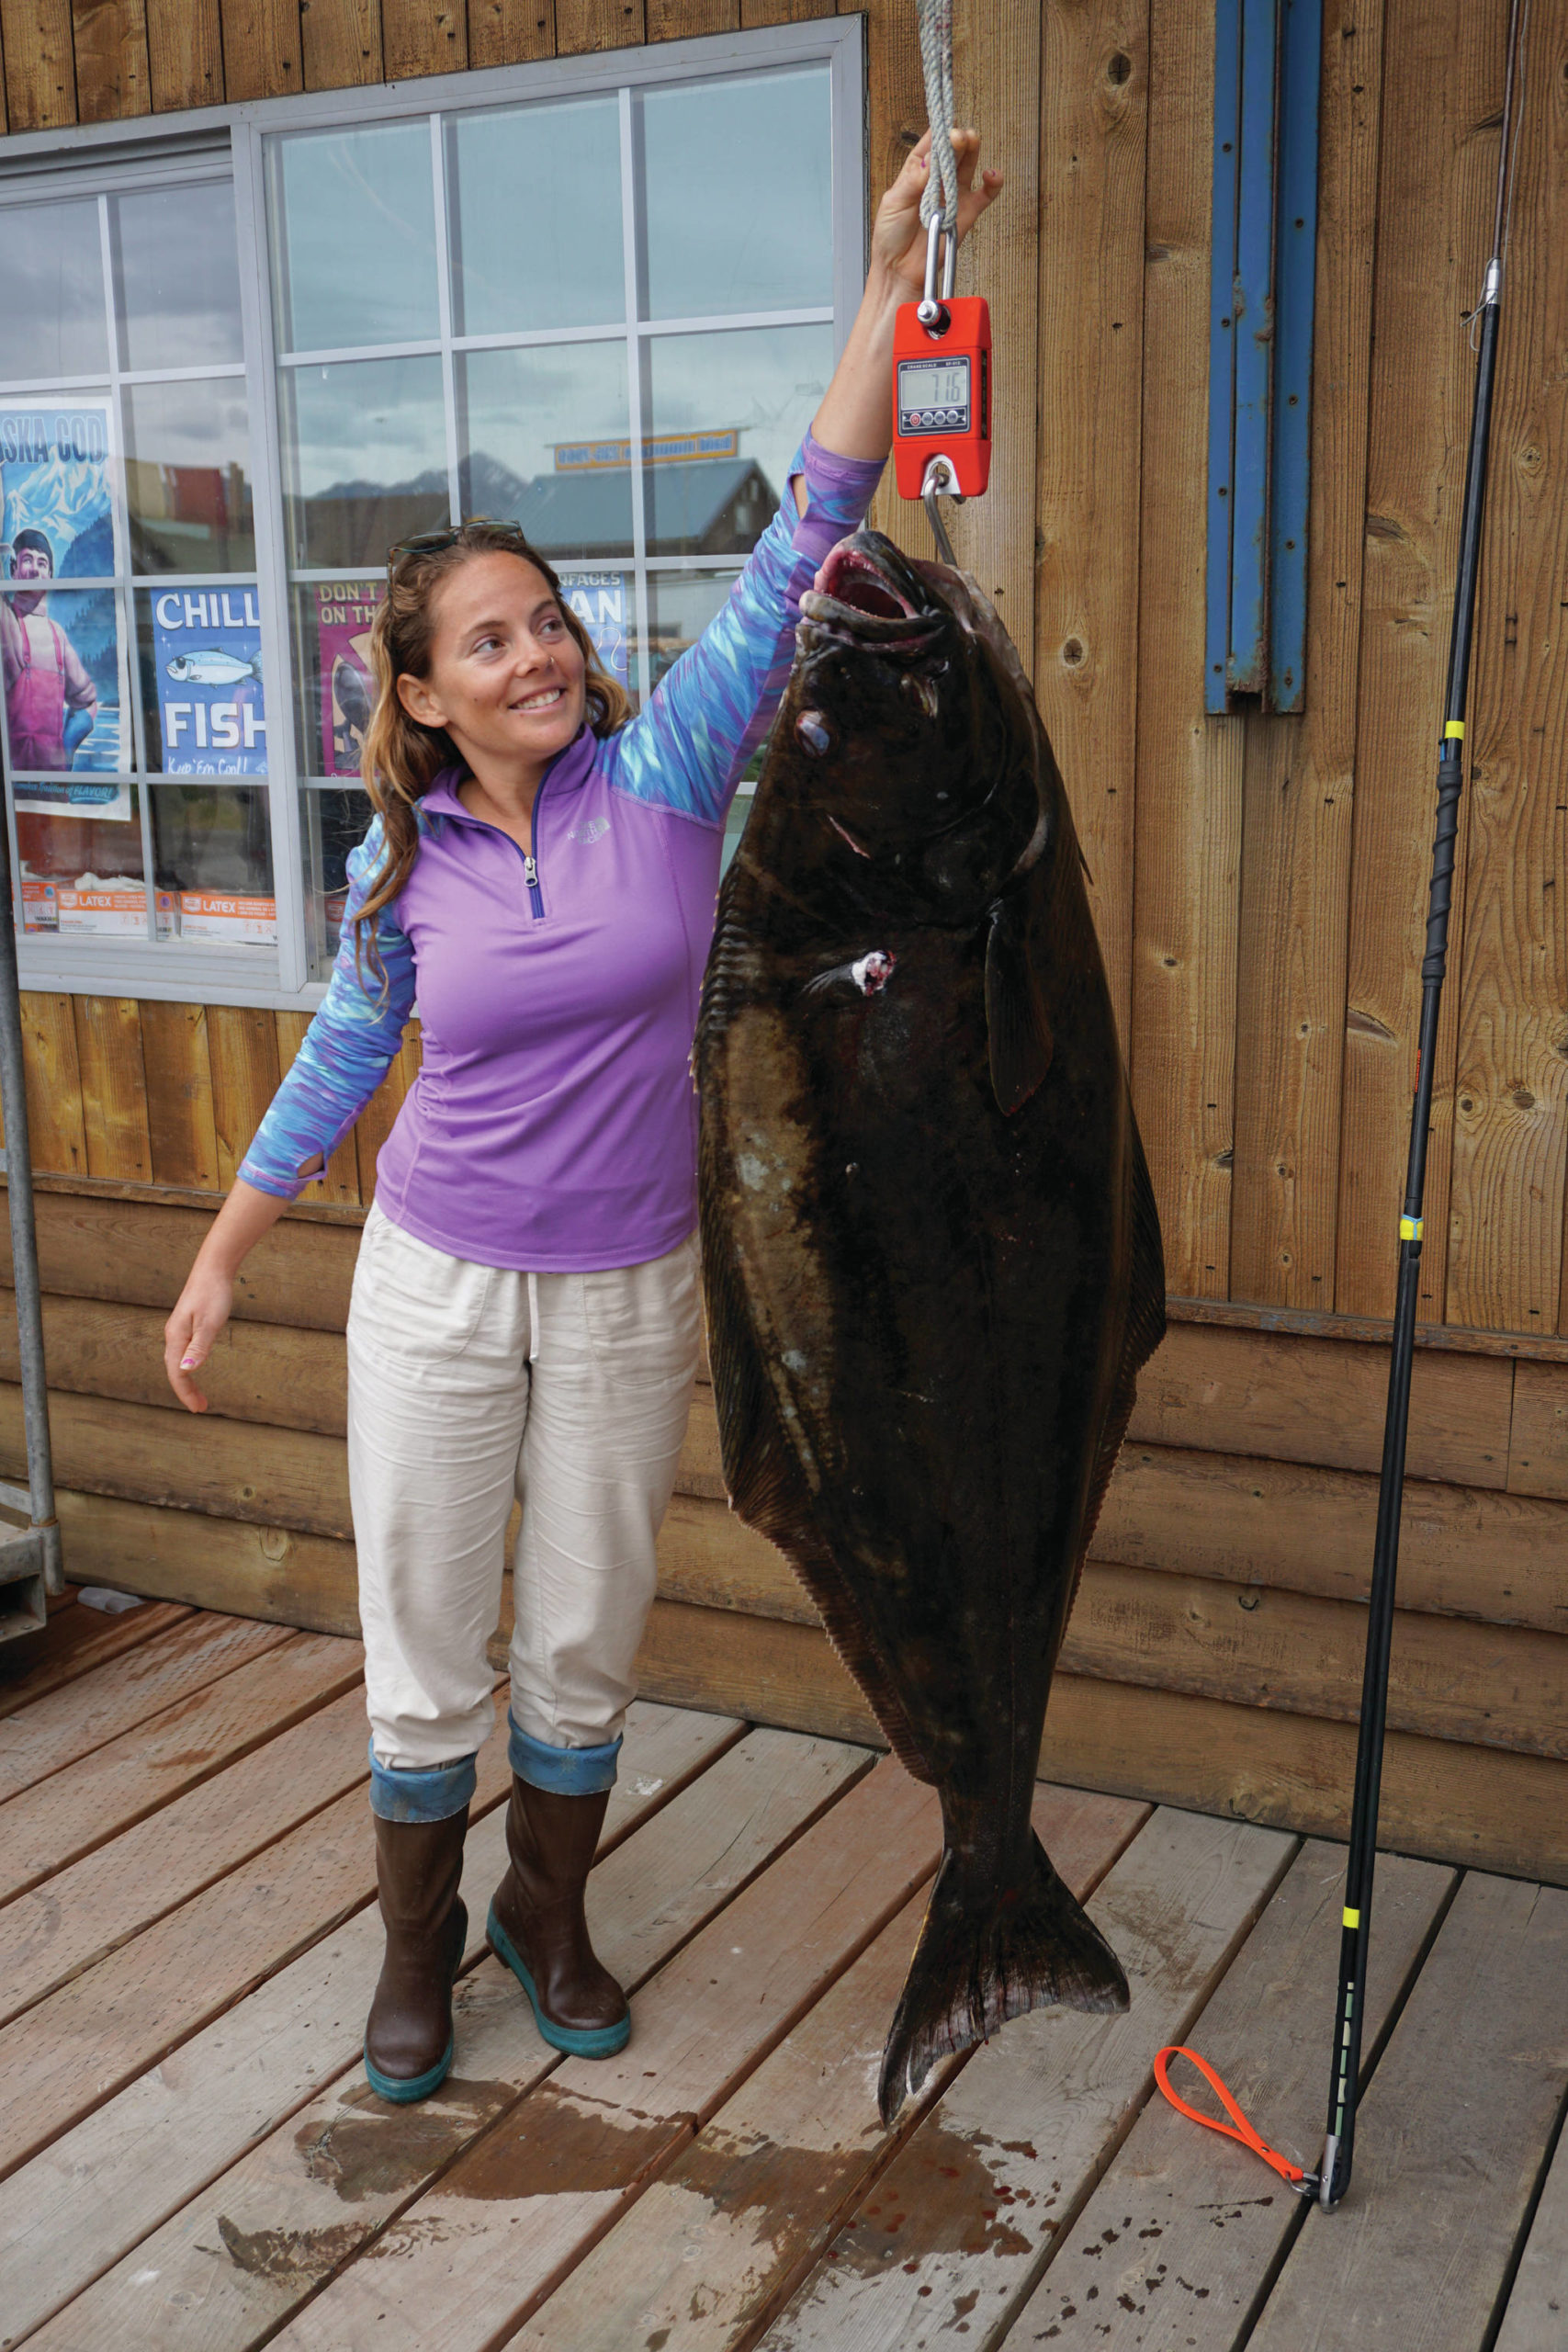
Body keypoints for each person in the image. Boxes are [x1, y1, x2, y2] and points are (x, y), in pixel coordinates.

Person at [164, 130, 1002, 2106]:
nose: (535, 649)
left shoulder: (671, 770)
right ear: (427, 693)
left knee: (583, 1632)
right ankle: (412, 1945)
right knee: (426, 1635)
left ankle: (548, 1909)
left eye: (544, 619)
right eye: (488, 639)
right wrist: (215, 1263)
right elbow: (334, 1070)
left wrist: (892, 275)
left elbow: (812, 518)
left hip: (631, 1284)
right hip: (437, 1287)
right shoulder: (407, 876)